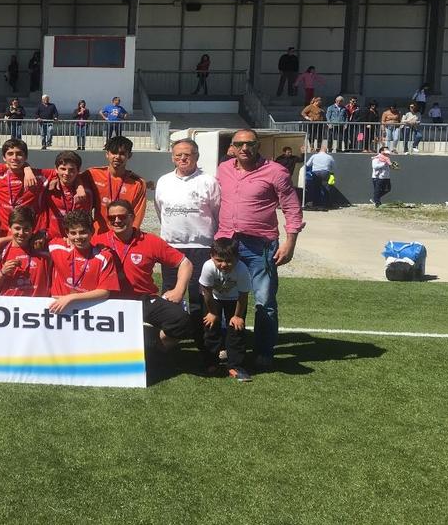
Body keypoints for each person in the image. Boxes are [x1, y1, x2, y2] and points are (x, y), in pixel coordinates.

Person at [215, 129, 303, 371]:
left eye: (249, 144)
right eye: (239, 144)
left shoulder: (276, 172)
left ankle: (264, 350)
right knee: (224, 297)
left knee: (264, 300)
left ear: (257, 146)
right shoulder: (223, 170)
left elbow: (292, 208)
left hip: (260, 245)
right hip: (227, 243)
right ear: (232, 147)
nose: (244, 148)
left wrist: (290, 243)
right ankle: (229, 345)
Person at [94, 199, 194, 348]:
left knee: (181, 320)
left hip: (141, 300)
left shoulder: (150, 241)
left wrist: (179, 290)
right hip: (109, 301)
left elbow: (185, 263)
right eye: (111, 218)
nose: (116, 221)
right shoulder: (97, 241)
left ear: (132, 217)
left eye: (122, 216)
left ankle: (156, 345)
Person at [154, 138, 221, 317]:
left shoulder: (208, 181)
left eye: (187, 155)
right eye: (178, 155)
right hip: (171, 246)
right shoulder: (164, 181)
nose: (183, 158)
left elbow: (216, 212)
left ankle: (202, 337)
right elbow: (161, 211)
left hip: (201, 246)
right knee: (170, 291)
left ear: (196, 156)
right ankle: (170, 337)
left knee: (199, 292)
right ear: (172, 157)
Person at [199, 238, 252, 382]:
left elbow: (243, 295)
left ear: (237, 258)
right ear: (211, 257)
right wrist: (212, 312)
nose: (224, 265)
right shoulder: (208, 267)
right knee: (211, 328)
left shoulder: (242, 270)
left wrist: (238, 316)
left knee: (236, 330)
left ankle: (236, 366)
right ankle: (211, 363)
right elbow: (207, 292)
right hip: (213, 299)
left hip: (235, 300)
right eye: (219, 260)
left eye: (229, 261)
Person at [46, 210, 118, 313]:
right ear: (67, 233)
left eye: (83, 232)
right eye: (73, 233)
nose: (78, 237)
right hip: (57, 310)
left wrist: (71, 297)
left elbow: (105, 292)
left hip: (88, 311)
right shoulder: (56, 246)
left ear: (92, 231)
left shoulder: (104, 256)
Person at [83, 136, 147, 233]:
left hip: (123, 236)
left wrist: (131, 235)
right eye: (113, 152)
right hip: (99, 234)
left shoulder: (137, 183)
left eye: (122, 153)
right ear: (107, 154)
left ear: (129, 155)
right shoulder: (92, 174)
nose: (117, 157)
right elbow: (68, 176)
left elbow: (137, 214)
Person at [0, 206, 51, 297]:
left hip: (37, 308)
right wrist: (2, 273)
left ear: (33, 228)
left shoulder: (45, 249)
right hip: (11, 308)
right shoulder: (0, 252)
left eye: (26, 228)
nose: (21, 233)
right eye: (17, 228)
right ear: (9, 228)